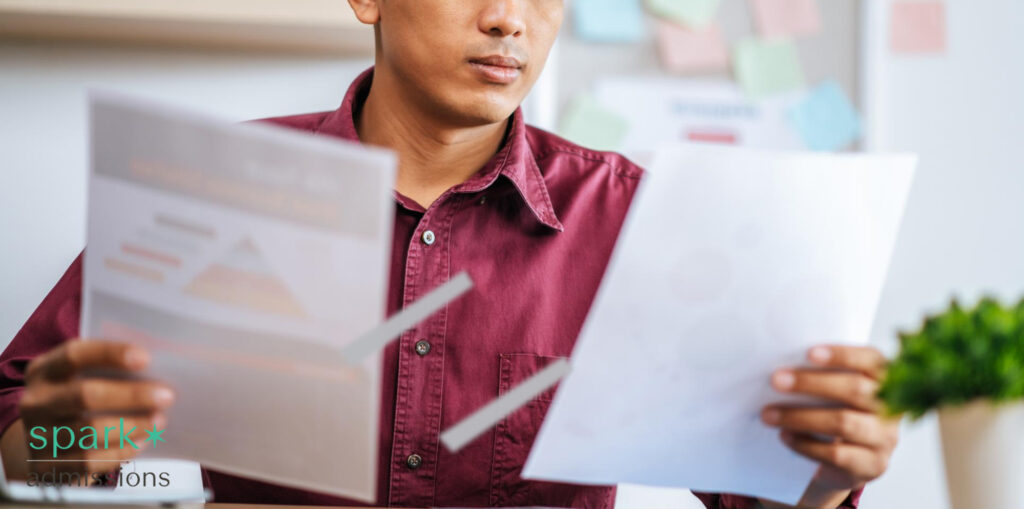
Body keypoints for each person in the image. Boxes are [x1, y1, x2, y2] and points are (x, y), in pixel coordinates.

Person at [0, 0, 900, 507]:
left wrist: (826, 472)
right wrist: (62, 440)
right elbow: (25, 439)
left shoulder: (637, 220)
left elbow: (765, 501)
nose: (510, 19)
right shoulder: (213, 190)